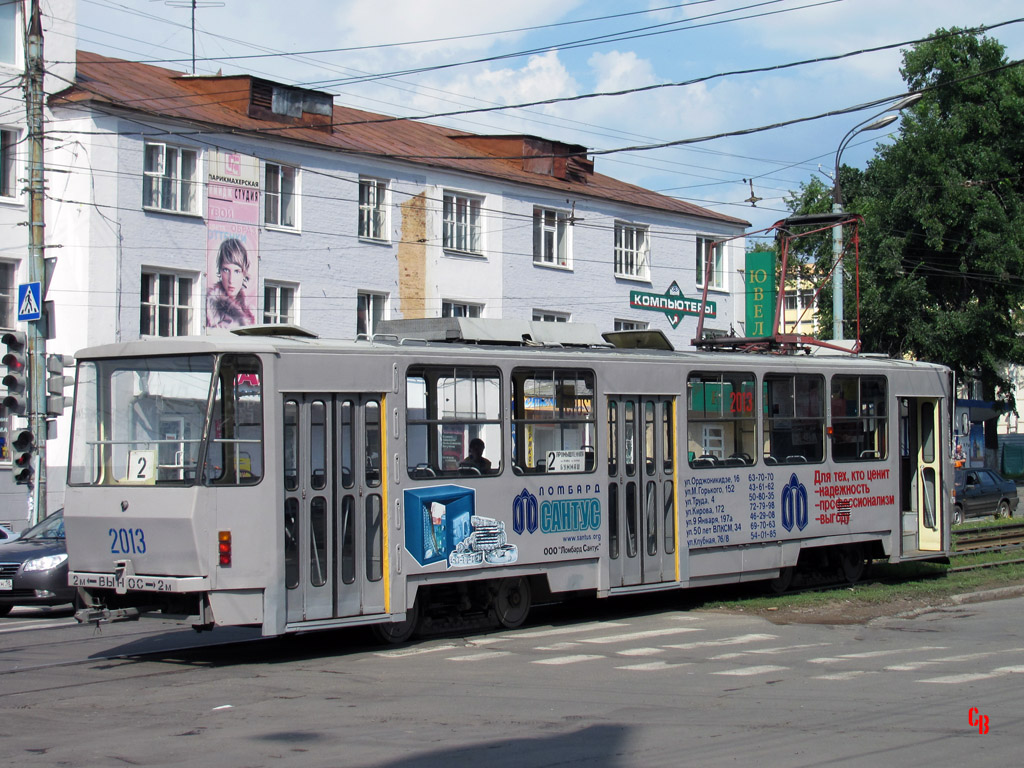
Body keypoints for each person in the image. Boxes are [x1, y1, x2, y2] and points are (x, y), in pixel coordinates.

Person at [207, 237, 256, 329]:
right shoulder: (211, 309)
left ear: (244, 273)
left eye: (237, 271)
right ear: (220, 271)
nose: (231, 279)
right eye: (226, 270)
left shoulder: (249, 310)